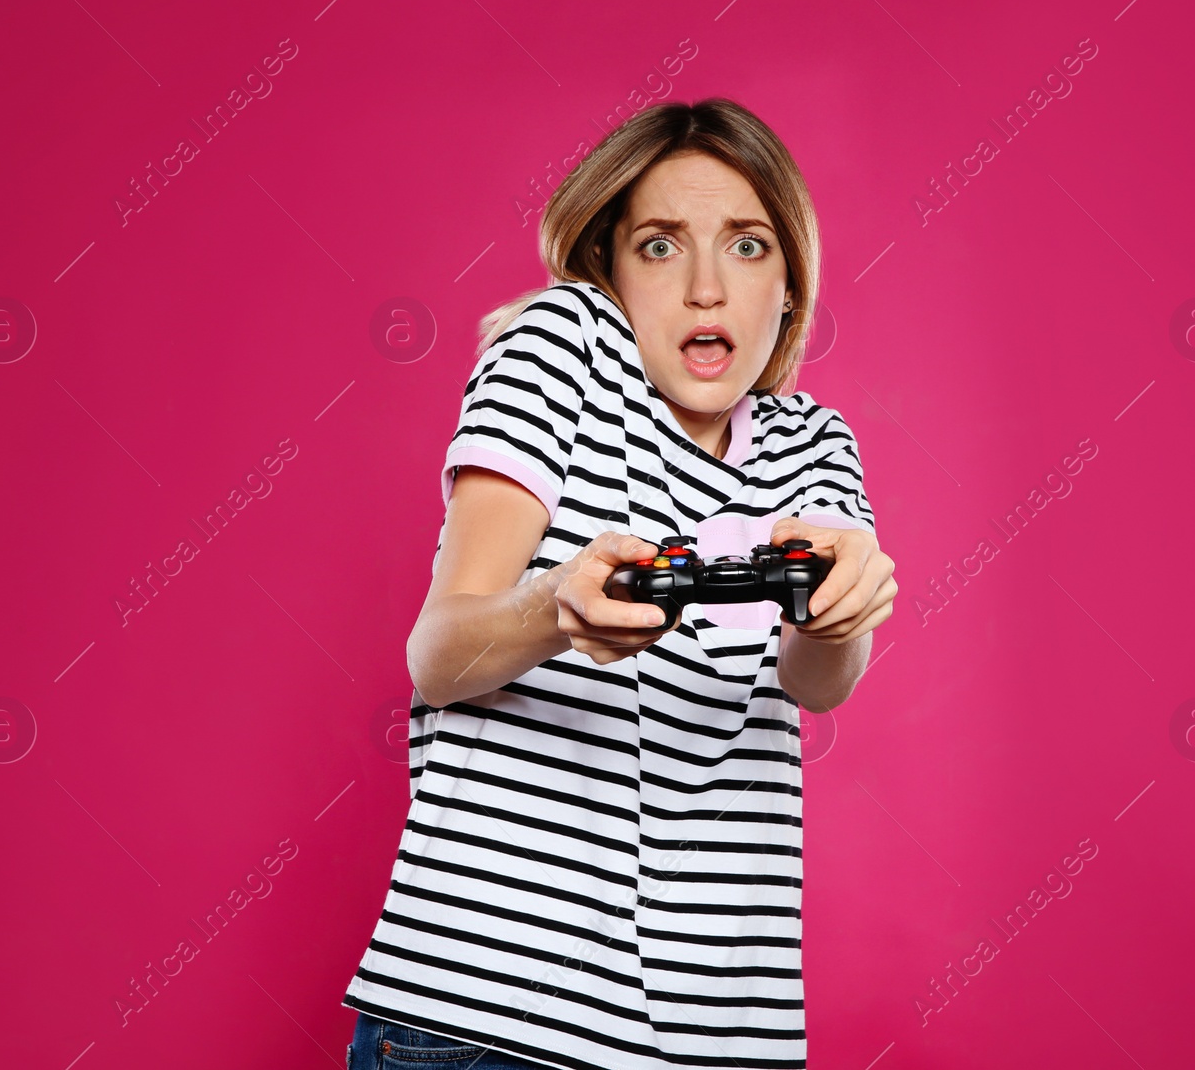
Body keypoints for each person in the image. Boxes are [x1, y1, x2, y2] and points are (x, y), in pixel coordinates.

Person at [343, 97, 898, 1070]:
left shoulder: (816, 441)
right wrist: (553, 605)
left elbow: (821, 679)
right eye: (657, 245)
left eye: (747, 245)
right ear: (607, 268)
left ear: (789, 281)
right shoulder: (561, 347)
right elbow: (438, 653)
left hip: (720, 1037)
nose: (703, 289)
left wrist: (838, 606)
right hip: (489, 1013)